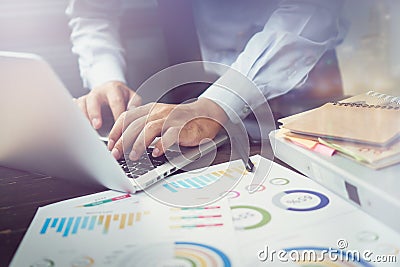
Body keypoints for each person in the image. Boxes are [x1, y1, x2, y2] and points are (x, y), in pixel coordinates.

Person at [66, 0, 347, 161]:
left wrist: (218, 104)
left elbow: (314, 10)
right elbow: (93, 10)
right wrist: (105, 77)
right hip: (202, 111)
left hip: (306, 101)